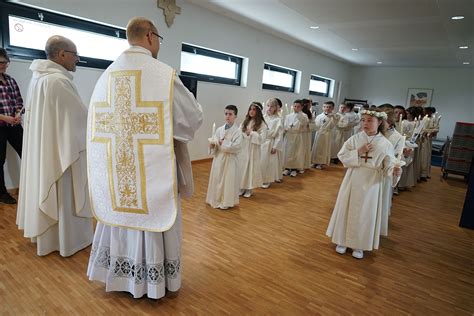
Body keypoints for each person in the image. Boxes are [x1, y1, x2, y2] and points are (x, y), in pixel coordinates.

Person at [86, 17, 203, 299]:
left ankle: (121, 278)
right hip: (152, 167)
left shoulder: (106, 76)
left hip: (119, 168)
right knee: (153, 216)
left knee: (122, 216)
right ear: (151, 36)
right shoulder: (163, 74)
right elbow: (192, 118)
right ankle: (152, 284)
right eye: (159, 38)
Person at [16, 35, 93, 256]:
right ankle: (68, 240)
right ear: (61, 55)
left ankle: (48, 238)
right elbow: (79, 118)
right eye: (75, 55)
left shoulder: (38, 79)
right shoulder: (58, 81)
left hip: (47, 151)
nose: (77, 59)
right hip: (61, 154)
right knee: (65, 192)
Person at [326, 109, 401, 259]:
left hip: (372, 181)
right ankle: (342, 240)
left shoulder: (385, 144)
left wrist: (395, 171)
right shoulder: (355, 139)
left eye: (369, 121)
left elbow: (389, 165)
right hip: (354, 176)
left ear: (379, 122)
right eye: (363, 120)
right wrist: (358, 152)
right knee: (347, 207)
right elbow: (342, 155)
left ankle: (359, 245)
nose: (365, 123)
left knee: (366, 212)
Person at [206, 105, 242, 209]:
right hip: (219, 158)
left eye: (230, 114)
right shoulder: (219, 129)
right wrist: (213, 145)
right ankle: (215, 199)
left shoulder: (237, 132)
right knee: (217, 179)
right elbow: (215, 143)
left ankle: (225, 202)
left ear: (235, 116)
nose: (227, 116)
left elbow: (237, 147)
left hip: (229, 160)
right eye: (226, 114)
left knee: (227, 181)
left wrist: (224, 143)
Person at [0, 48, 23, 204]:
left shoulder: (10, 80)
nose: (5, 65)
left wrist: (17, 114)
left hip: (14, 125)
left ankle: (30, 186)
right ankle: (2, 193)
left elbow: (19, 101)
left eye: (6, 62)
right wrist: (5, 118)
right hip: (0, 126)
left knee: (27, 153)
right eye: (1, 62)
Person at [239, 102, 267, 198]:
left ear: (258, 111)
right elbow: (239, 132)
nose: (251, 111)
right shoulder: (245, 121)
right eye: (250, 109)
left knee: (250, 168)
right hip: (244, 148)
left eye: (254, 109)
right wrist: (243, 134)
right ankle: (242, 187)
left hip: (253, 149)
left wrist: (251, 133)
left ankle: (249, 189)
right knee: (243, 168)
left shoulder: (262, 124)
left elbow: (262, 138)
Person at [261, 98, 284, 188]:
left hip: (271, 142)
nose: (269, 108)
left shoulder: (278, 119)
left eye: (272, 106)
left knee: (269, 163)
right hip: (262, 141)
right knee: (261, 162)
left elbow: (279, 135)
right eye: (268, 106)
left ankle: (267, 180)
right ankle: (260, 178)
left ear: (276, 108)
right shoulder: (263, 117)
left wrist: (275, 146)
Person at [282, 100, 308, 177]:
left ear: (302, 107)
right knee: (288, 152)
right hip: (289, 136)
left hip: (297, 136)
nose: (296, 108)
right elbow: (285, 125)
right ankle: (287, 168)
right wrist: (287, 128)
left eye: (298, 106)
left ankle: (294, 169)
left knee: (296, 153)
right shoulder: (288, 116)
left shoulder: (304, 116)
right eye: (295, 106)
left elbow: (304, 123)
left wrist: (299, 115)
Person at [311, 101, 339, 169]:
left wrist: (333, 116)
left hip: (326, 134)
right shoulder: (319, 116)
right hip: (319, 134)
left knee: (324, 149)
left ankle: (321, 163)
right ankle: (314, 162)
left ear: (332, 108)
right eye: (325, 107)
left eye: (329, 107)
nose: (327, 108)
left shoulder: (334, 117)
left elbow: (335, 122)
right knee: (316, 148)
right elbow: (316, 125)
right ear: (322, 107)